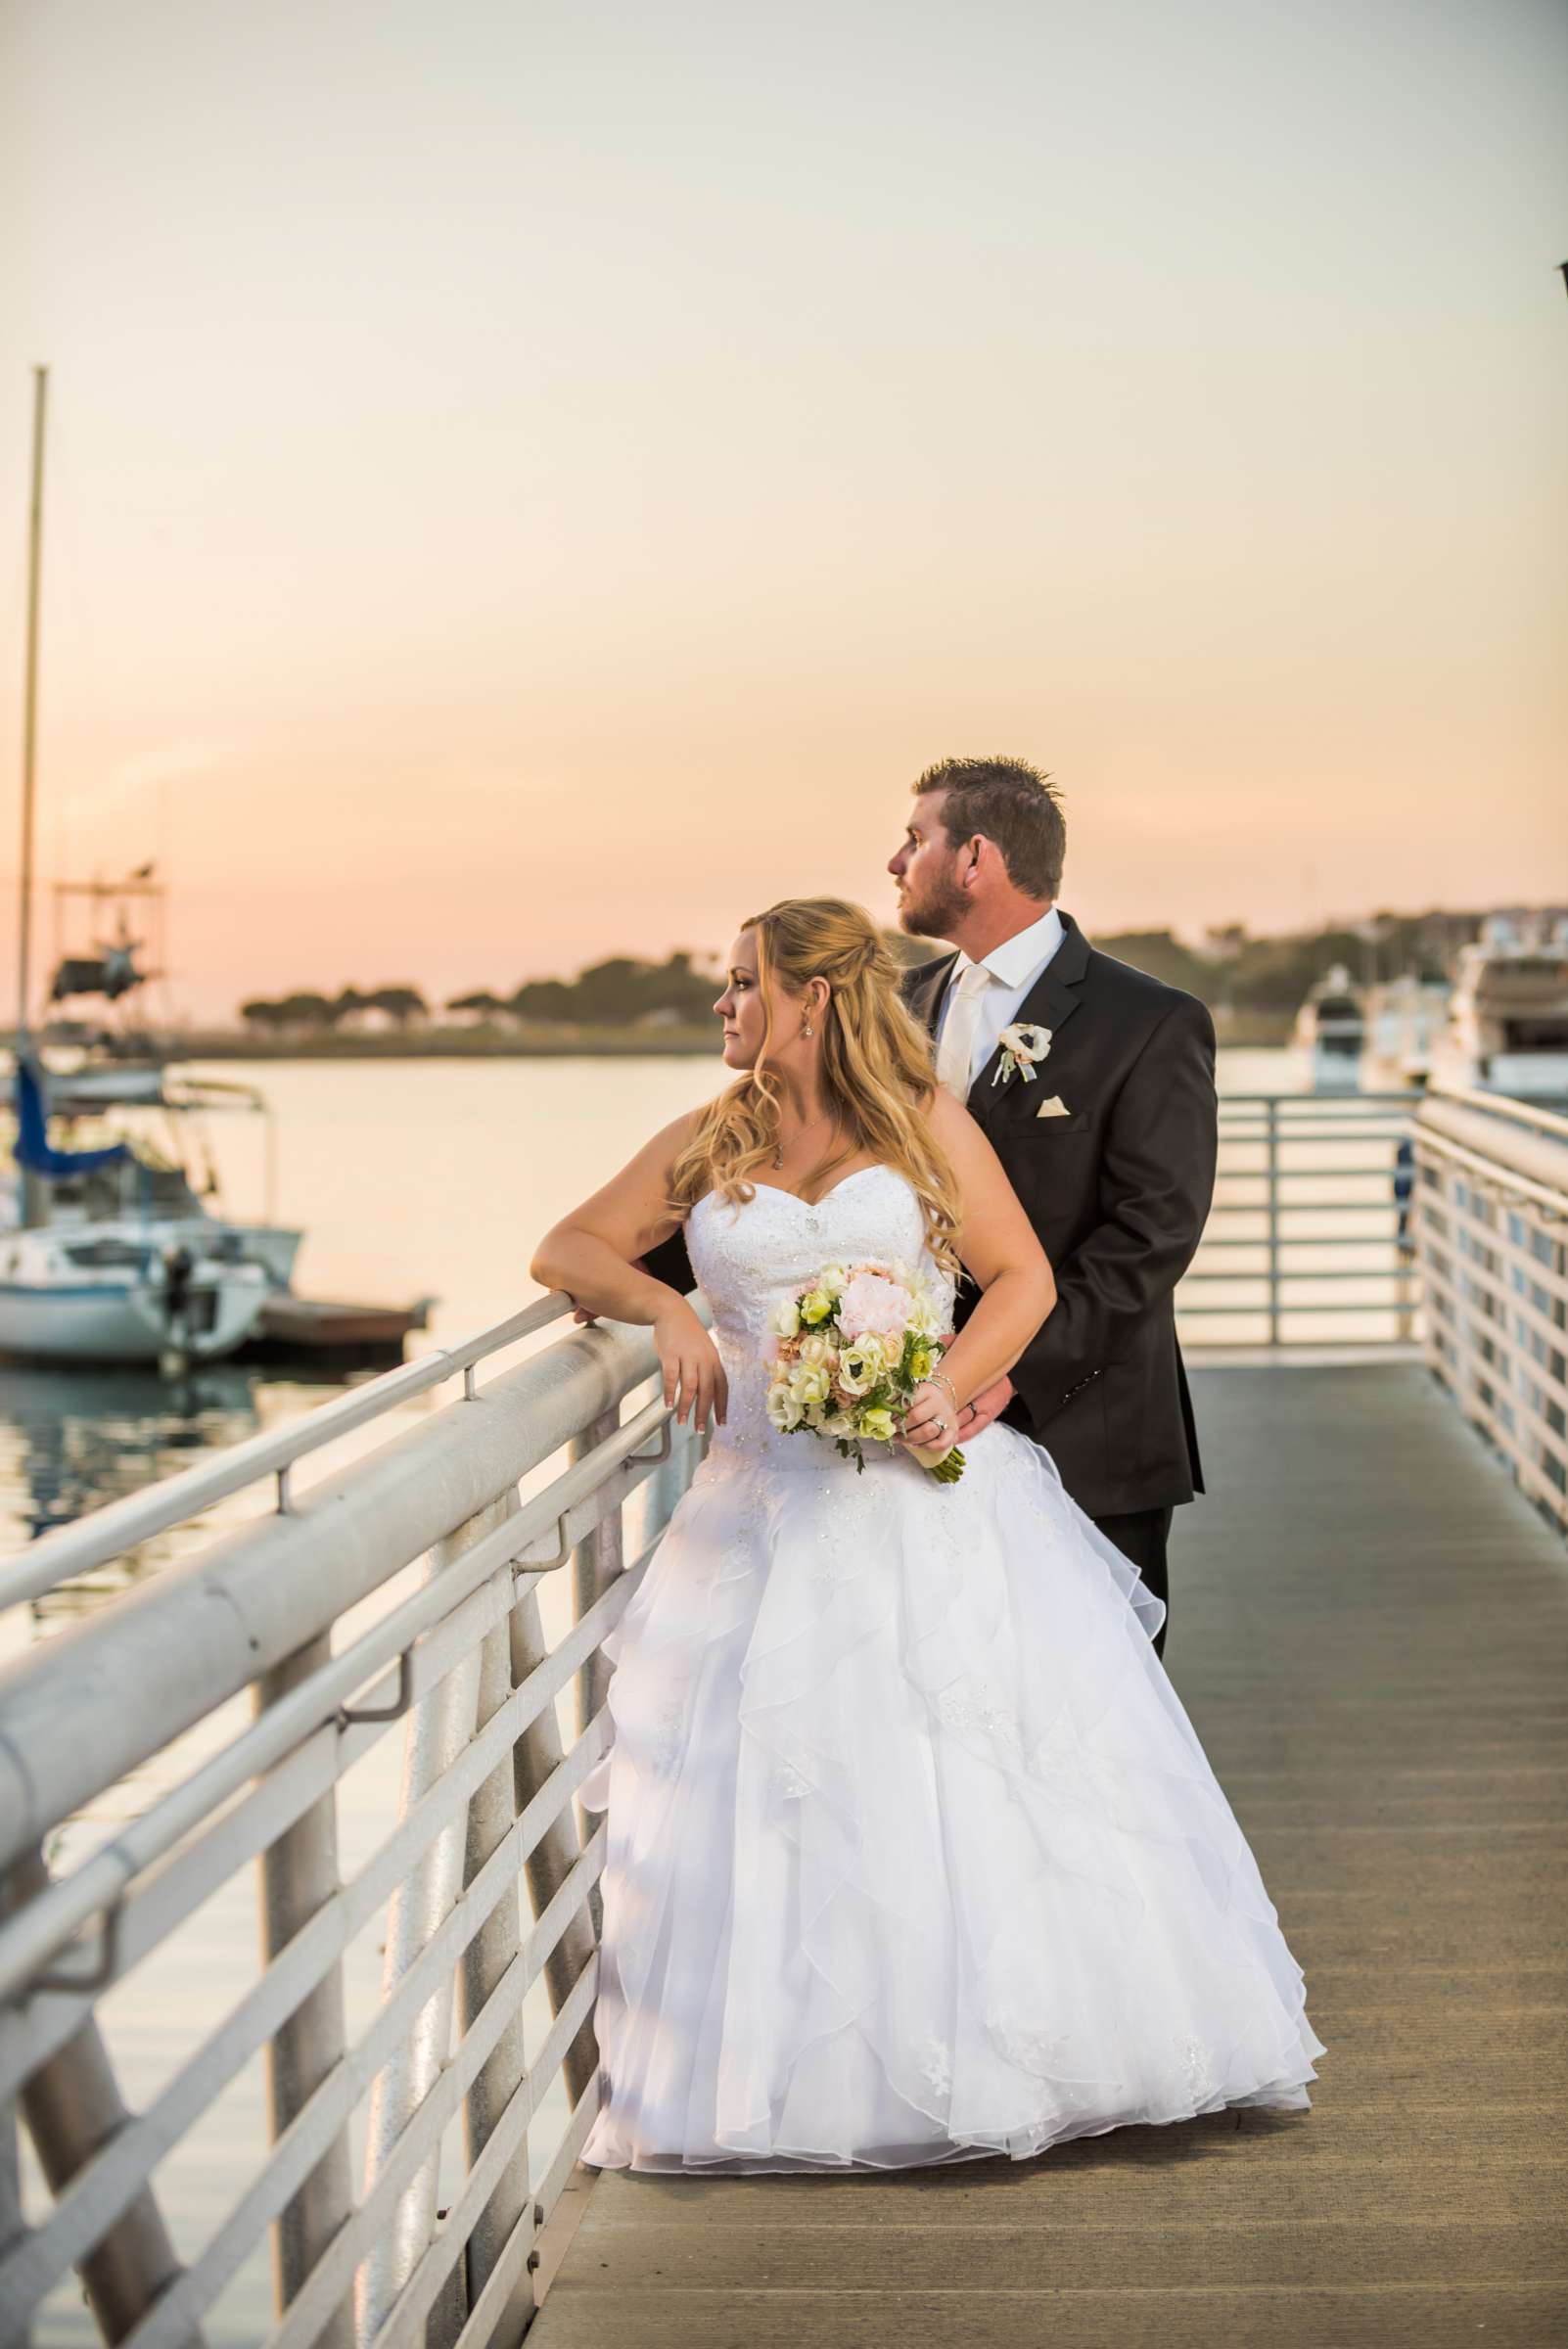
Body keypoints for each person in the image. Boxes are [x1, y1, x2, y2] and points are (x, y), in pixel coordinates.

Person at [530, 896, 1321, 2174]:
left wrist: (946, 1386)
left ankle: (1003, 2057)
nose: (723, 1008)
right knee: (776, 1786)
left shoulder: (922, 1125)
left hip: (916, 1496)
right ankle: (792, 2086)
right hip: (757, 1504)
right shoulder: (707, 1136)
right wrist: (662, 1312)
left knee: (949, 1776)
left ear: (815, 997)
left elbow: (1023, 1280)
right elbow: (563, 1247)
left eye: (742, 985)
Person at [892, 758, 1218, 1657]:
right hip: (907, 1435)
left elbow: (1152, 1235)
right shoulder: (896, 1010)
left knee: (1103, 1728)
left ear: (976, 859)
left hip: (1088, 1433)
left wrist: (1007, 1370)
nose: (894, 862)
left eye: (915, 841)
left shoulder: (1148, 1022)